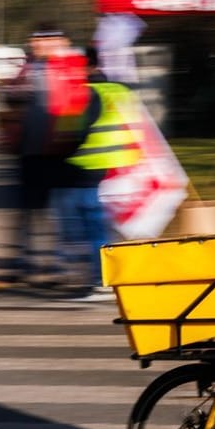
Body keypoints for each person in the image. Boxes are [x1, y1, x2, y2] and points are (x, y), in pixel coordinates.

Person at [0, 24, 90, 285]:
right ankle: (23, 262)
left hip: (62, 152)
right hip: (30, 152)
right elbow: (9, 95)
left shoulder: (73, 66)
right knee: (27, 211)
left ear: (61, 41)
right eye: (34, 41)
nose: (37, 46)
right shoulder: (28, 67)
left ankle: (61, 266)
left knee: (61, 212)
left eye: (44, 41)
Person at [52, 47, 142, 302]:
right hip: (123, 168)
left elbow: (75, 133)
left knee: (93, 229)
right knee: (112, 230)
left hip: (91, 170)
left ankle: (101, 282)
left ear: (87, 66)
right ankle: (118, 280)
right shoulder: (119, 90)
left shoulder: (85, 93)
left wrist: (59, 151)